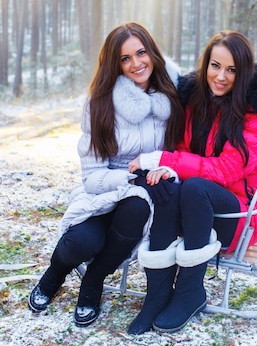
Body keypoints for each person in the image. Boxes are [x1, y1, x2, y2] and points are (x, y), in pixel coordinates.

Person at [127, 30, 257, 334]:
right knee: (165, 186)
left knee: (195, 187)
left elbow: (226, 170)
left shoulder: (256, 114)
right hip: (196, 207)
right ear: (205, 65)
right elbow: (185, 150)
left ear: (245, 73)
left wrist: (166, 160)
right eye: (215, 66)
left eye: (231, 70)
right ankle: (157, 294)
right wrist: (168, 171)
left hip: (239, 214)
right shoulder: (196, 100)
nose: (221, 77)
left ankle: (190, 292)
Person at [28, 22, 184, 327]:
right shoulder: (99, 104)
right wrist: (129, 178)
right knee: (80, 243)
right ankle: (55, 273)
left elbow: (182, 149)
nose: (137, 64)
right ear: (115, 64)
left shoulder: (173, 96)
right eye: (126, 58)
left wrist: (165, 171)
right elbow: (92, 176)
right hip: (103, 190)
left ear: (152, 52)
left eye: (141, 53)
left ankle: (93, 281)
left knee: (137, 206)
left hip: (144, 198)